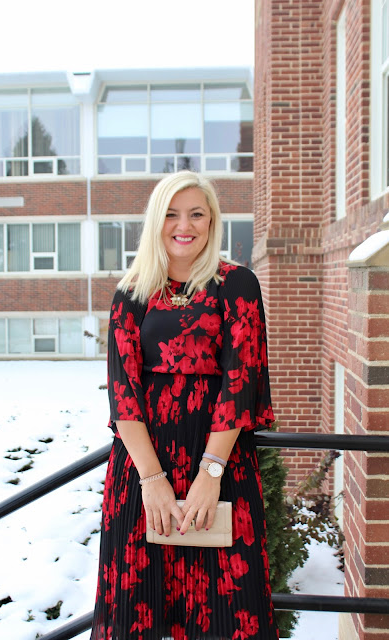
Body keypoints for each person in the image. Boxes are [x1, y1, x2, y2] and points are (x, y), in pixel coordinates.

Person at [90, 171, 279, 640]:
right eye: (172, 214)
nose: (184, 225)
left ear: (212, 221)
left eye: (196, 214)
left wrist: (210, 474)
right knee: (137, 613)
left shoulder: (236, 284)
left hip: (219, 465)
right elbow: (123, 393)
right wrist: (152, 481)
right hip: (142, 471)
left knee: (229, 611)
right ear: (156, 221)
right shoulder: (131, 293)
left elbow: (240, 383)